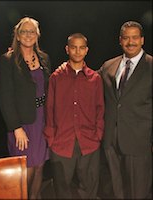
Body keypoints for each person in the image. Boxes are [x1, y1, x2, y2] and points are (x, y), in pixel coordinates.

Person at [44, 33, 105, 199]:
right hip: (62, 142)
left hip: (89, 143)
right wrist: (51, 138)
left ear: (86, 50)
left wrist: (98, 134)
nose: (77, 51)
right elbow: (49, 109)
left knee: (89, 189)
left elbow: (100, 108)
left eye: (81, 48)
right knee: (62, 190)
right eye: (73, 47)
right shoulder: (56, 77)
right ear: (67, 49)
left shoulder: (95, 79)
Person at [0, 17, 51, 199]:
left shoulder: (44, 58)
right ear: (18, 36)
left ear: (37, 35)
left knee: (39, 166)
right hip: (22, 124)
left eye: (32, 31)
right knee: (25, 170)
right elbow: (5, 97)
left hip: (42, 120)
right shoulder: (8, 60)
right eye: (24, 31)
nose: (28, 35)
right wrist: (16, 128)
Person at [99, 21, 152, 199]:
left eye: (135, 37)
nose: (131, 42)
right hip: (111, 141)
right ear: (120, 41)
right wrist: (67, 68)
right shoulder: (108, 66)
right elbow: (88, 82)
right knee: (116, 191)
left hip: (139, 141)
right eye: (126, 38)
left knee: (138, 192)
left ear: (142, 40)